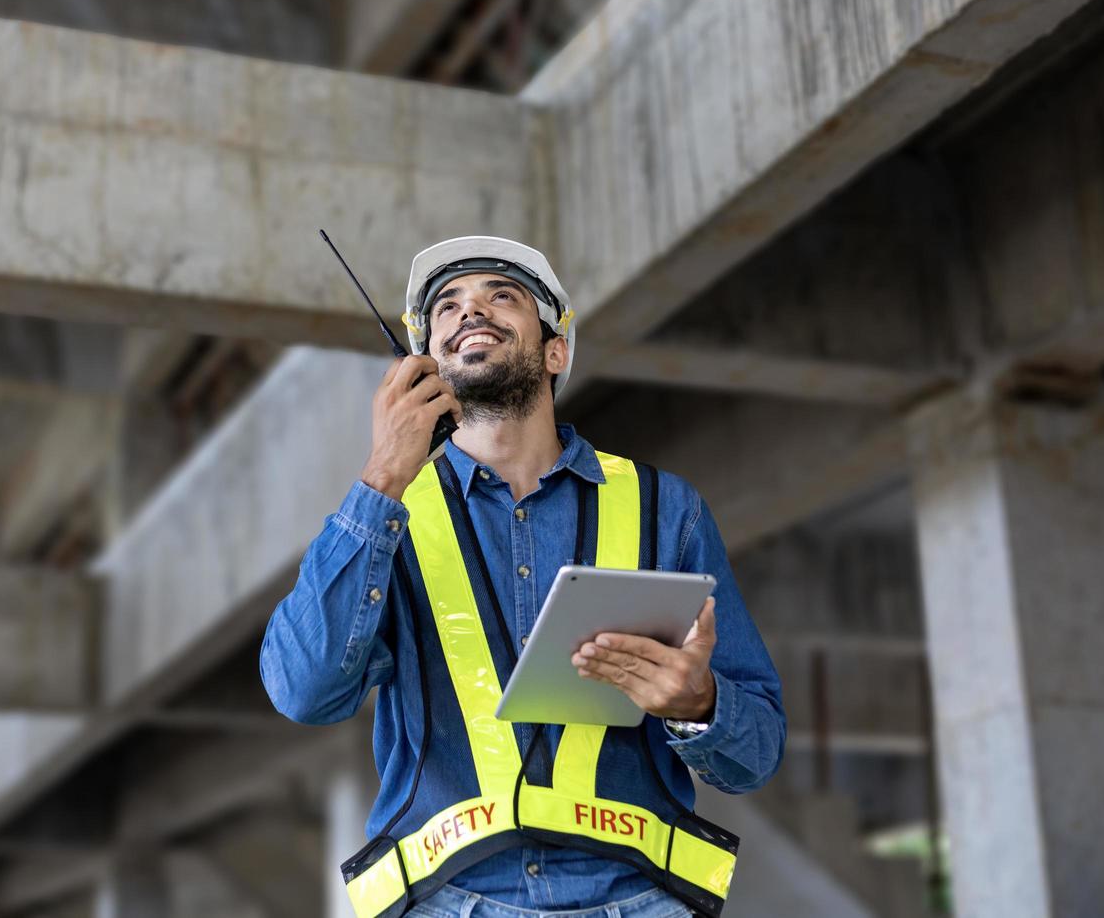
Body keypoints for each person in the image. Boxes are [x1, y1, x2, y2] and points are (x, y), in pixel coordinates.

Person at [261, 236, 784, 918]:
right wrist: (383, 475)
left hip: (638, 899)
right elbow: (304, 691)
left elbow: (757, 754)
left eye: (499, 296)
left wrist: (700, 705)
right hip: (447, 901)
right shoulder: (384, 517)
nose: (468, 311)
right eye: (446, 306)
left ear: (555, 349)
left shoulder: (666, 508)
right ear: (427, 361)